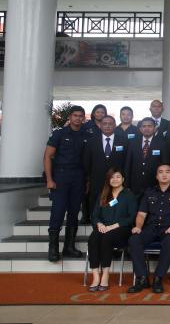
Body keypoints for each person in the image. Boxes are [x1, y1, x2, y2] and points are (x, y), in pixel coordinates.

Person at [127, 164, 170, 293]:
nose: (164, 174)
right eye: (160, 172)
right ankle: (142, 278)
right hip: (151, 228)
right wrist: (138, 227)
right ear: (156, 176)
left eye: (167, 172)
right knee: (134, 240)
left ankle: (158, 278)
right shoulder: (149, 192)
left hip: (168, 229)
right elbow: (141, 214)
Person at [44, 105, 88, 262]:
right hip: (61, 176)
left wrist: (86, 180)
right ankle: (53, 248)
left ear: (83, 118)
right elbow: (48, 156)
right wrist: (49, 179)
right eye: (75, 115)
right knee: (58, 211)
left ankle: (69, 247)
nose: (78, 118)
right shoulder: (60, 134)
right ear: (70, 117)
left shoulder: (86, 134)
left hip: (79, 176)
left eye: (80, 116)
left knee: (74, 212)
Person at [87, 168, 137, 291]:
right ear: (108, 180)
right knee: (93, 238)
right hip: (103, 228)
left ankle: (105, 275)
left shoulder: (129, 195)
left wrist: (112, 226)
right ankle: (95, 276)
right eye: (112, 177)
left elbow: (132, 217)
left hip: (121, 229)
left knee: (106, 238)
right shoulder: (103, 194)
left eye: (118, 177)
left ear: (123, 179)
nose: (115, 179)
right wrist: (99, 224)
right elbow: (95, 215)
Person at [83, 115, 128, 225]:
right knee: (96, 207)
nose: (107, 126)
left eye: (110, 124)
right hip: (97, 181)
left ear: (115, 125)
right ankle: (96, 228)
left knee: (115, 205)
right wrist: (88, 179)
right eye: (105, 124)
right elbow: (86, 162)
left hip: (116, 182)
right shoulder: (91, 141)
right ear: (100, 125)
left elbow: (127, 161)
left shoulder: (123, 140)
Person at [124, 117, 169, 198]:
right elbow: (128, 165)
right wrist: (126, 185)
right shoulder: (133, 142)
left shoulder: (162, 143)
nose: (146, 128)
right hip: (135, 186)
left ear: (155, 128)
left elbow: (165, 165)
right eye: (144, 126)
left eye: (149, 126)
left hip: (154, 186)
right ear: (140, 129)